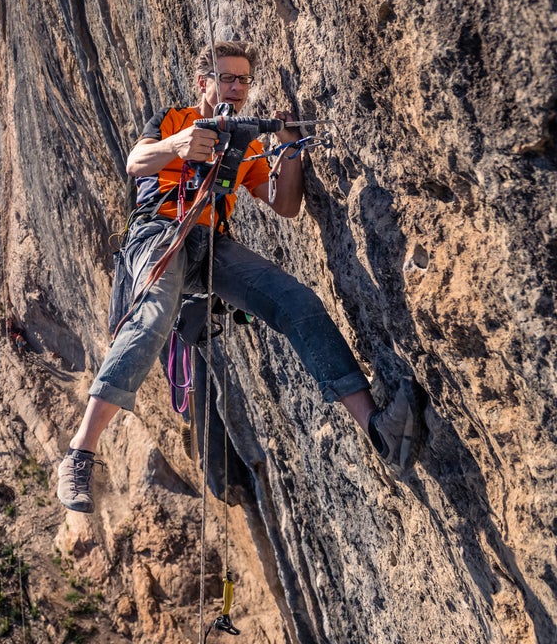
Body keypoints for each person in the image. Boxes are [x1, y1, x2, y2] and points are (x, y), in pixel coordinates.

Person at [56, 40, 419, 513]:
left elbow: (285, 205)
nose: (237, 87)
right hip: (159, 232)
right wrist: (178, 144)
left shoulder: (243, 141)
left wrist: (288, 150)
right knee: (153, 318)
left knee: (296, 302)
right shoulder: (172, 121)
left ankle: (378, 429)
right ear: (203, 83)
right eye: (227, 78)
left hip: (211, 245)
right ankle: (80, 453)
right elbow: (135, 162)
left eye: (244, 80)